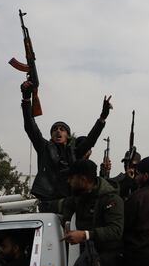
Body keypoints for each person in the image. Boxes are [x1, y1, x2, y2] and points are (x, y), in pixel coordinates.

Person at [20, 80, 112, 212]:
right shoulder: (44, 147)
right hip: (48, 202)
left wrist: (102, 118)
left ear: (67, 135)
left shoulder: (74, 152)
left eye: (62, 129)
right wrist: (26, 100)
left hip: (70, 202)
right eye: (55, 129)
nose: (58, 131)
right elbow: (30, 126)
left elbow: (90, 140)